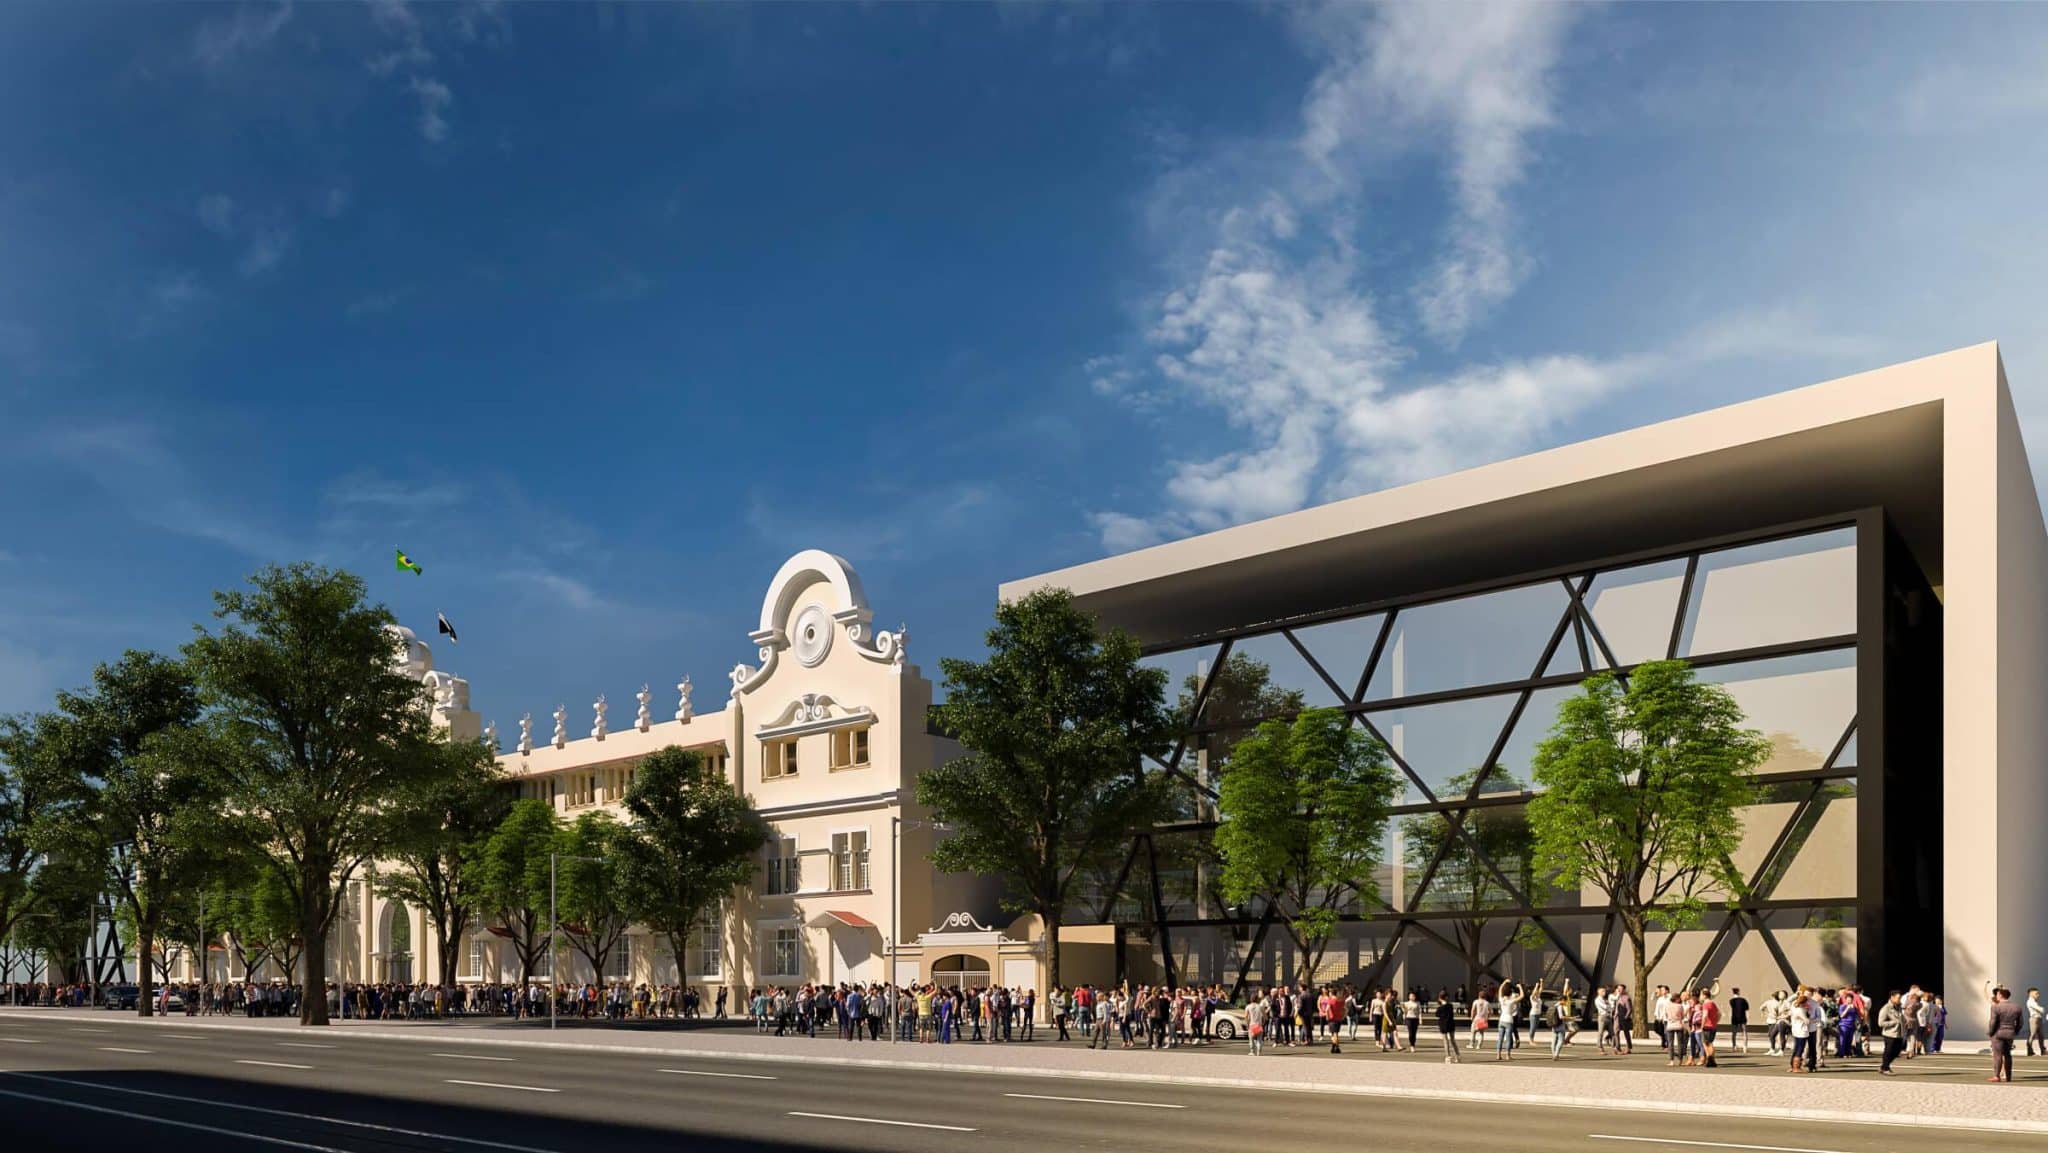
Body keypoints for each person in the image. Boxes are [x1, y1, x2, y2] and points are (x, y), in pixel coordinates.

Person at [1991, 984, 2023, 1082]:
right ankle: (2008, 1077)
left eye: (1997, 994)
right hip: (2010, 1032)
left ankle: (1997, 1076)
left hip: (1998, 1033)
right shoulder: (2017, 1007)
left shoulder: (1996, 1007)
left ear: (2000, 995)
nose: (1996, 996)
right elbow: (2020, 1023)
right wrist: (2015, 1031)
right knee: (2007, 1054)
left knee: (1998, 1055)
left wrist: (1991, 1032)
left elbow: (1993, 1021)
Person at [1877, 991, 1906, 1075]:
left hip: (1899, 1033)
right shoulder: (1886, 1008)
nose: (1899, 1000)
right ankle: (1886, 1068)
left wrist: (1904, 1021)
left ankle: (1883, 1066)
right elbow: (1880, 1023)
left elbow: (1901, 1017)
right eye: (1898, 998)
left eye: (1900, 998)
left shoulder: (1899, 1007)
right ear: (1892, 997)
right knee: (1888, 1051)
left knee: (1897, 1051)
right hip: (1890, 1033)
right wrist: (1894, 1022)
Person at [1437, 989, 1461, 1063]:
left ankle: (1448, 1056)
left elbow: (1437, 1014)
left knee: (1445, 1040)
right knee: (1452, 1040)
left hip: (1443, 1024)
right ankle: (1458, 1055)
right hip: (1451, 1023)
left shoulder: (1440, 1007)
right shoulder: (1450, 1006)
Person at [1728, 987, 1750, 1054]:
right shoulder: (1743, 1000)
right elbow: (1747, 1008)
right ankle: (1745, 1046)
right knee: (1744, 1032)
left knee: (1734, 1032)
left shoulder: (1731, 1000)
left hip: (1734, 1017)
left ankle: (1734, 1046)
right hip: (1742, 1016)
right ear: (1738, 992)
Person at [2028, 988, 2046, 1057]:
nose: (2038, 995)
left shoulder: (2034, 1001)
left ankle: (2043, 1050)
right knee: (2032, 1035)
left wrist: (2041, 1009)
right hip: (2034, 1019)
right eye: (2036, 993)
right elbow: (2040, 1009)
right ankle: (2030, 1051)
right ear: (2031, 993)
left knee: (2041, 1036)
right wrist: (2042, 1009)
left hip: (2039, 1019)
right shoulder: (2030, 1001)